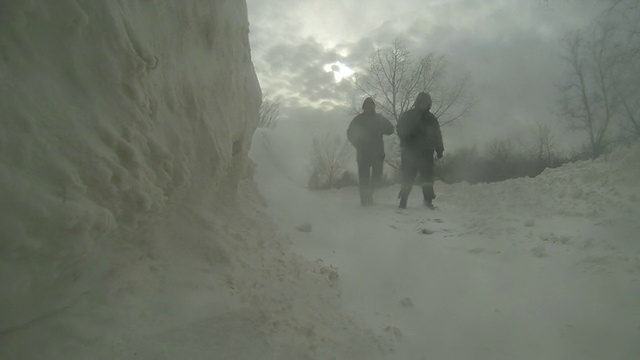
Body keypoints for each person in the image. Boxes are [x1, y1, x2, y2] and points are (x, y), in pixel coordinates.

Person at [396, 92, 444, 209]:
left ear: (429, 104)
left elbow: (437, 134)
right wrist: (406, 139)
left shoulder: (431, 118)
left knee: (427, 177)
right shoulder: (408, 115)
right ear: (417, 103)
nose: (423, 105)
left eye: (426, 103)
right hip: (409, 152)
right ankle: (403, 200)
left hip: (426, 152)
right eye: (421, 103)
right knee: (408, 176)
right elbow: (399, 129)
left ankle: (428, 201)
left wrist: (439, 149)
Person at [347, 97, 394, 206]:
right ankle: (364, 200)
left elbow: (390, 129)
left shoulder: (379, 119)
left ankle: (370, 193)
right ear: (363, 108)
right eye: (367, 107)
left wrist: (383, 129)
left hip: (377, 153)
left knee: (377, 176)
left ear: (374, 107)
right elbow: (350, 133)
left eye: (371, 106)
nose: (369, 108)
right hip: (363, 153)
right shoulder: (358, 120)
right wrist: (357, 144)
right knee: (363, 178)